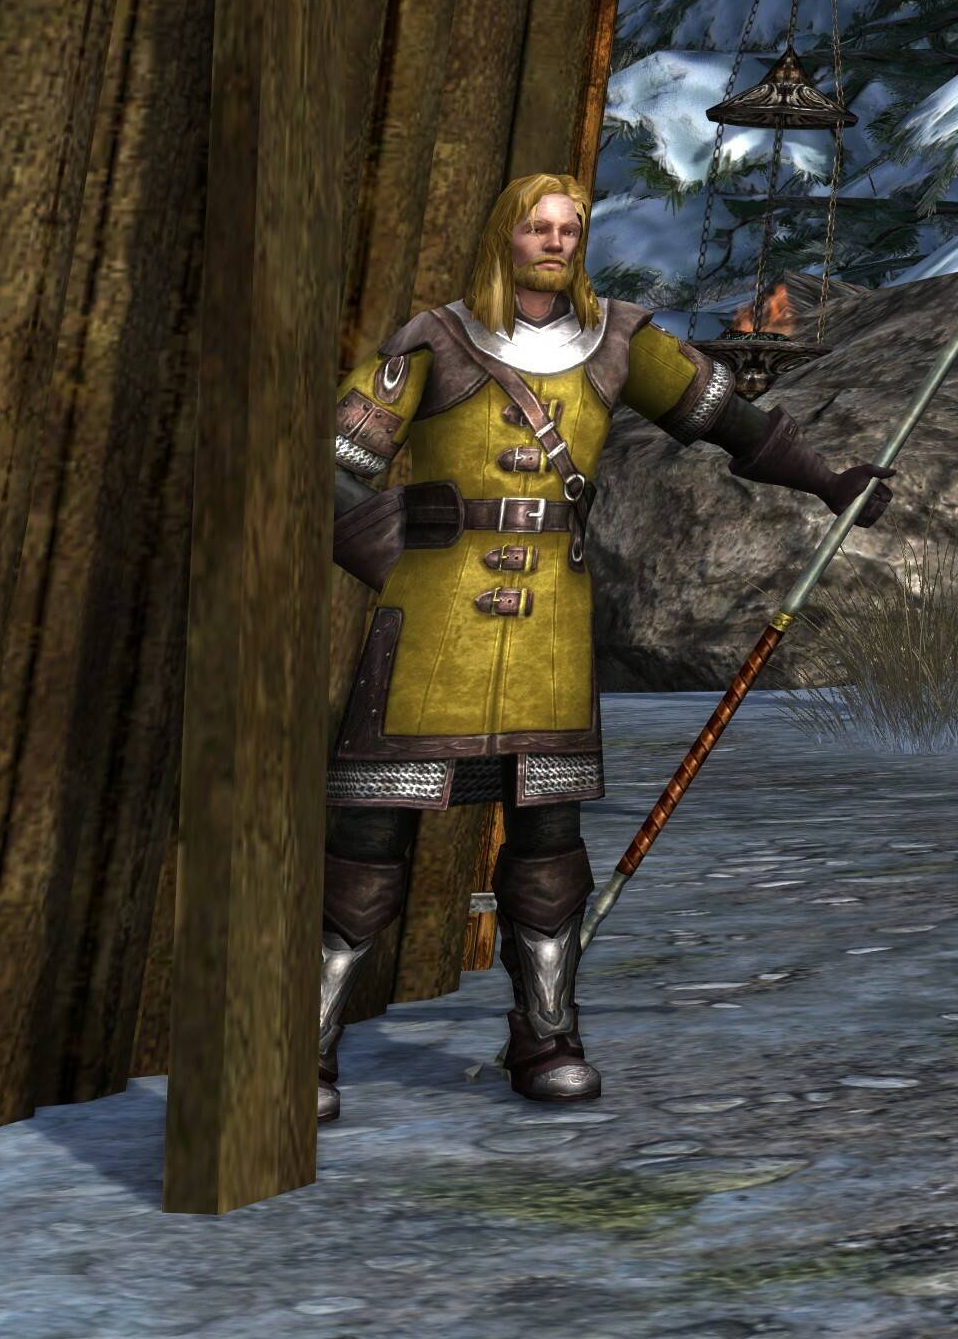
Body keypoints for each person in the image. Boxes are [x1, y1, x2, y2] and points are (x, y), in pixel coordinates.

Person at [316, 169, 889, 1113]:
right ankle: (307, 1047)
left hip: (548, 630)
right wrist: (396, 553)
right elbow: (335, 468)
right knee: (367, 847)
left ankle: (544, 1036)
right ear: (504, 236)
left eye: (569, 229)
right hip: (430, 631)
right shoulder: (433, 342)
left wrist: (830, 483)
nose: (554, 242)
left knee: (548, 851)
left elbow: (731, 422)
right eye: (537, 227)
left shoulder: (619, 342)